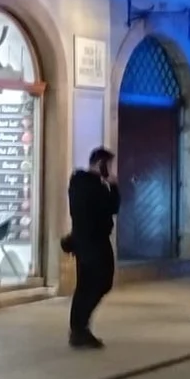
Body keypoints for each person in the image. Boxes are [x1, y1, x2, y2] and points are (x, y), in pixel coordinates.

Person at [65, 147, 120, 349]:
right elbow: (112, 208)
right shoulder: (94, 187)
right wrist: (113, 186)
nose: (112, 170)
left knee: (85, 285)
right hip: (95, 242)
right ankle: (79, 328)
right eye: (109, 165)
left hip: (83, 241)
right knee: (101, 282)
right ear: (101, 164)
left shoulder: (77, 183)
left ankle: (79, 328)